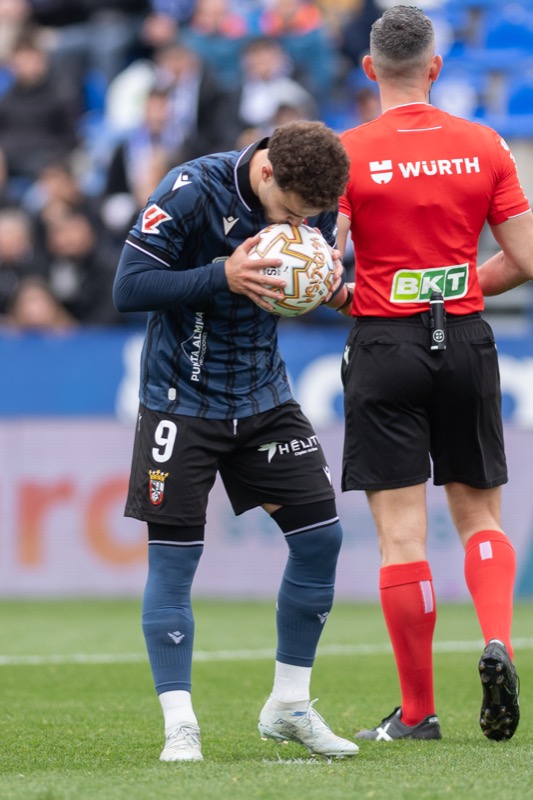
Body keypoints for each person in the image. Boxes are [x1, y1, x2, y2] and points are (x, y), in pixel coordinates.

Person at [112, 120, 357, 762]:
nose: (301, 226)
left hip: (264, 397)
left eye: (311, 218)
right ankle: (180, 725)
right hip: (181, 400)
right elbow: (128, 287)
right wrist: (222, 274)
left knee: (321, 539)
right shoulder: (192, 188)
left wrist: (335, 292)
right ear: (266, 170)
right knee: (174, 562)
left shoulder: (312, 201)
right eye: (291, 214)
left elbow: (304, 280)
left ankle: (290, 706)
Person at [336, 4, 533, 743]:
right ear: (436, 67)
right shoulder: (482, 143)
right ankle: (498, 642)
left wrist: (350, 295)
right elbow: (526, 257)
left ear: (369, 69)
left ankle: (417, 712)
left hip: (383, 345)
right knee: (480, 518)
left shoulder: (347, 152)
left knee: (401, 537)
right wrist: (455, 288)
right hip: (466, 337)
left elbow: (317, 265)